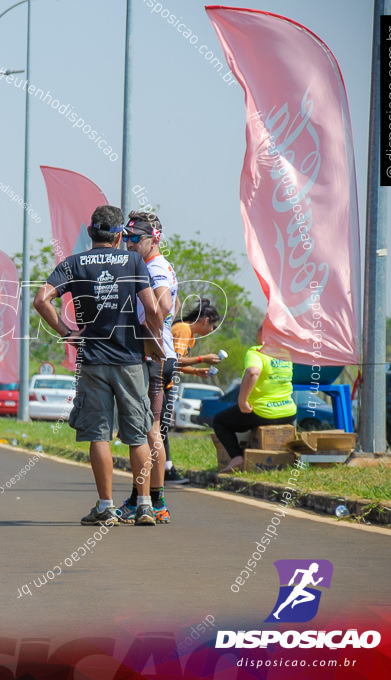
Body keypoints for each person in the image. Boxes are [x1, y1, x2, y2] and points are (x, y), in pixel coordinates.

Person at [33, 205, 163, 527]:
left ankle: (106, 507)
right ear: (120, 235)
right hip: (130, 359)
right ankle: (145, 505)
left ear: (90, 233)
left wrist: (68, 334)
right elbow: (151, 306)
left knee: (99, 435)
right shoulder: (133, 261)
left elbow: (40, 300)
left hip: (92, 361)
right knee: (137, 435)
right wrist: (156, 335)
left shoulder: (73, 264)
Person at [116, 212, 177, 524]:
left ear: (153, 238)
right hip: (157, 357)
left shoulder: (155, 267)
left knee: (144, 432)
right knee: (149, 431)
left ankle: (147, 501)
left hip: (152, 358)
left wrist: (142, 331)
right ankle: (151, 499)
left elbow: (163, 305)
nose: (129, 243)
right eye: (126, 237)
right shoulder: (149, 265)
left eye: (135, 238)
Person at [213, 323, 296, 472]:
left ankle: (237, 458)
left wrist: (242, 401)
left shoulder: (256, 351)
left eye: (259, 329)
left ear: (264, 334)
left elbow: (252, 372)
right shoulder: (286, 354)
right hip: (288, 413)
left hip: (263, 413)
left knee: (220, 421)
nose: (256, 332)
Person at [162, 297, 222, 484]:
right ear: (205, 321)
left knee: (161, 429)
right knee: (160, 429)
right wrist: (202, 359)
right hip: (161, 382)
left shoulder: (189, 334)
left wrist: (196, 371)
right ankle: (166, 470)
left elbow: (176, 363)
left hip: (166, 382)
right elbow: (175, 361)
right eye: (212, 327)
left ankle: (165, 469)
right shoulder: (182, 330)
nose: (210, 332)